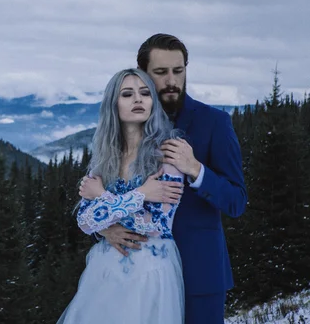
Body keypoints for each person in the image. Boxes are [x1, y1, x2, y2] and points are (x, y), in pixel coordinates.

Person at [97, 34, 247, 323]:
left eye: (178, 71)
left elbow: (237, 201)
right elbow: (99, 195)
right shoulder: (123, 127)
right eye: (161, 72)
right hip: (136, 274)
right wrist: (105, 230)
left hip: (199, 275)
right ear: (143, 72)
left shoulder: (214, 122)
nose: (171, 81)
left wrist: (195, 169)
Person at [57, 68, 187, 323]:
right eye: (127, 94)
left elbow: (158, 225)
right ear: (113, 104)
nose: (138, 99)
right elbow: (85, 220)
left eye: (145, 93)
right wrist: (140, 195)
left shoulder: (168, 155)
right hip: (106, 272)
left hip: (150, 272)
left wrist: (103, 200)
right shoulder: (105, 159)